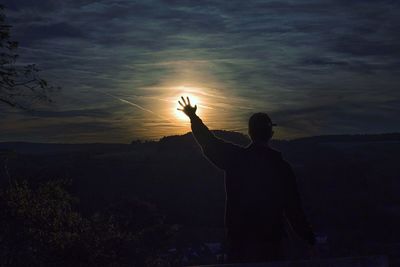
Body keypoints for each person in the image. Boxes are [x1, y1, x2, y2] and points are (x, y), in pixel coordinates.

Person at [178, 96, 316, 263]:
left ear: (250, 133)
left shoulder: (235, 159)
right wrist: (309, 239)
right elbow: (294, 210)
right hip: (272, 244)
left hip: (240, 244)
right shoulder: (281, 168)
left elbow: (209, 143)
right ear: (271, 134)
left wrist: (193, 117)